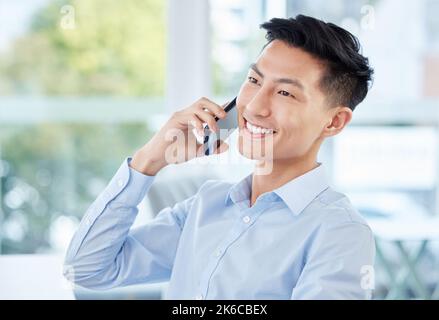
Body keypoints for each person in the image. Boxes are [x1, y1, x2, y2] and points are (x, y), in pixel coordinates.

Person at [64, 14, 375, 299]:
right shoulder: (206, 205)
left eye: (285, 93)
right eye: (254, 81)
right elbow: (87, 269)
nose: (253, 107)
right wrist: (149, 160)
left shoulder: (340, 233)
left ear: (334, 122)